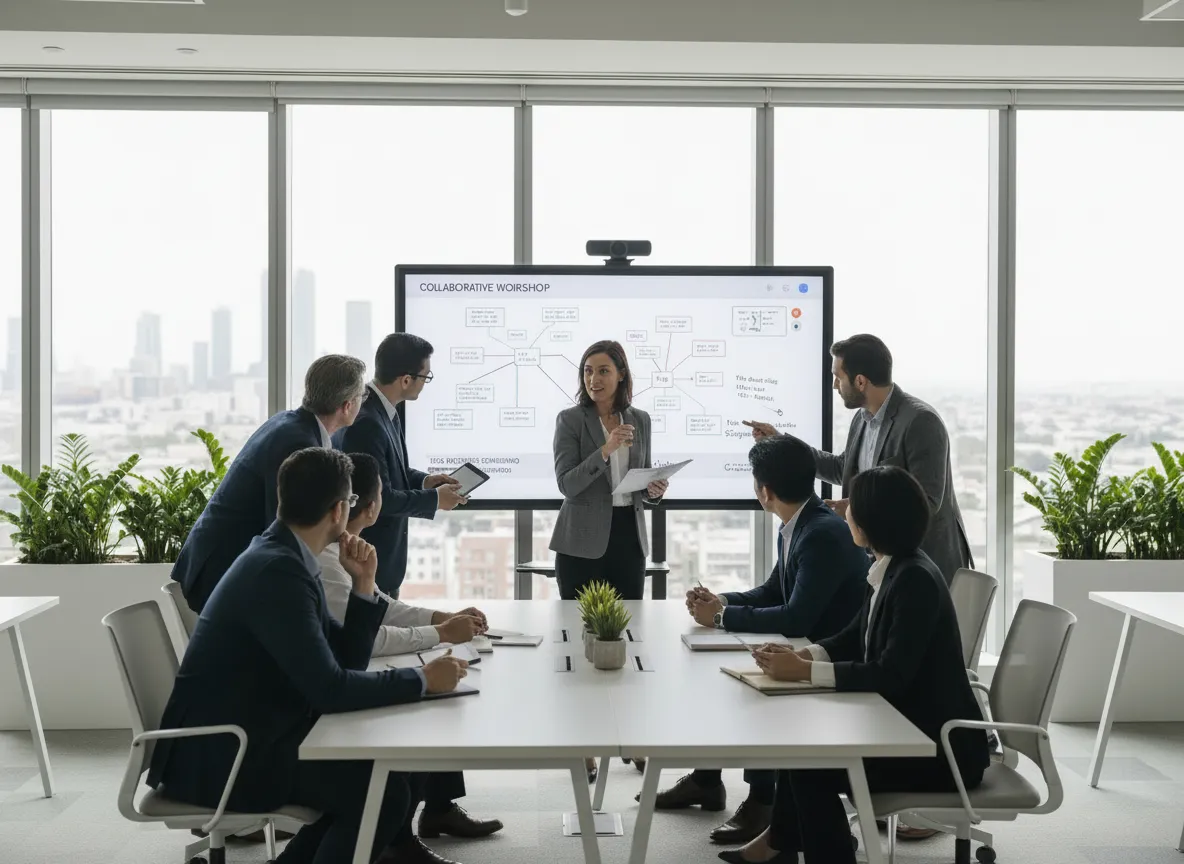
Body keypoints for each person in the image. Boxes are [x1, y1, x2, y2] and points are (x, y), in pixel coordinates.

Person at [148, 448, 472, 864]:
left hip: (245, 735)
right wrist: (424, 681)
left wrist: (363, 587)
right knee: (381, 791)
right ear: (340, 509)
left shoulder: (282, 553)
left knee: (383, 776)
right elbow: (331, 689)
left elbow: (342, 661)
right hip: (227, 757)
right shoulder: (279, 572)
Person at [717, 466, 990, 864]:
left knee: (812, 765)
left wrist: (806, 672)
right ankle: (778, 846)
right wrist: (802, 657)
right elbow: (852, 636)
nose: (844, 513)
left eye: (852, 507)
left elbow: (889, 674)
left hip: (937, 749)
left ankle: (824, 853)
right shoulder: (891, 567)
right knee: (802, 751)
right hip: (906, 728)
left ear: (870, 522)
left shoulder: (915, 581)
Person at [647, 436, 869, 846]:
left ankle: (764, 800)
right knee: (710, 676)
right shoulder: (801, 521)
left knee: (743, 690)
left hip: (825, 657)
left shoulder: (820, 533)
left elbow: (797, 615)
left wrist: (720, 617)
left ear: (763, 491)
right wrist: (723, 601)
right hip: (804, 643)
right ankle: (707, 780)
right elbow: (773, 590)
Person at [317, 453, 503, 842]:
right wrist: (442, 634)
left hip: (334, 685)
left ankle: (431, 816)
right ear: (371, 508)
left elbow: (383, 609)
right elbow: (367, 639)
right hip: (315, 720)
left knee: (433, 692)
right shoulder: (328, 562)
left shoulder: (345, 549)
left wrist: (441, 618)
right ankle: (405, 835)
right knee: (426, 694)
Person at [745, 333, 972, 586]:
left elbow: (927, 503)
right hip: (885, 563)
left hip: (926, 566)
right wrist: (781, 441)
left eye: (838, 377)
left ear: (861, 381)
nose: (834, 385)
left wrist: (857, 509)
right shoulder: (862, 418)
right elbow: (842, 468)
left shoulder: (920, 421)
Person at [172, 354, 367, 613]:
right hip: (221, 573)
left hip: (218, 563)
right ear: (346, 405)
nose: (362, 403)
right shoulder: (299, 444)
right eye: (362, 397)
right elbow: (287, 528)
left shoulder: (291, 423)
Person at [334, 333, 467, 597]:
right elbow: (378, 498)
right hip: (367, 561)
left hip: (383, 563)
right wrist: (434, 500)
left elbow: (390, 472)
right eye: (425, 377)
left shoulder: (384, 411)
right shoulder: (368, 422)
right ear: (406, 380)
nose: (425, 384)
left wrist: (425, 481)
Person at [549, 339, 667, 602]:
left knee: (629, 624)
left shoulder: (641, 419)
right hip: (581, 540)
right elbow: (567, 484)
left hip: (629, 537)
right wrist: (607, 448)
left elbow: (641, 477)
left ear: (621, 374)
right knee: (578, 625)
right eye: (588, 371)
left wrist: (653, 490)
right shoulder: (570, 420)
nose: (593, 379)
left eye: (603, 371)